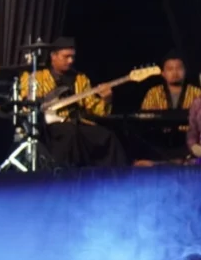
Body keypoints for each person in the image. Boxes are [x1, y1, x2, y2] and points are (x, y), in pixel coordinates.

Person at [18, 38, 126, 168]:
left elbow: (95, 109)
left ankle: (115, 179)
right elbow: (26, 100)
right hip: (49, 126)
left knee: (107, 137)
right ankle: (63, 175)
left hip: (76, 123)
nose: (70, 61)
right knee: (69, 133)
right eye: (66, 57)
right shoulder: (37, 77)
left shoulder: (80, 79)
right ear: (53, 56)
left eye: (73, 57)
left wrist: (106, 99)